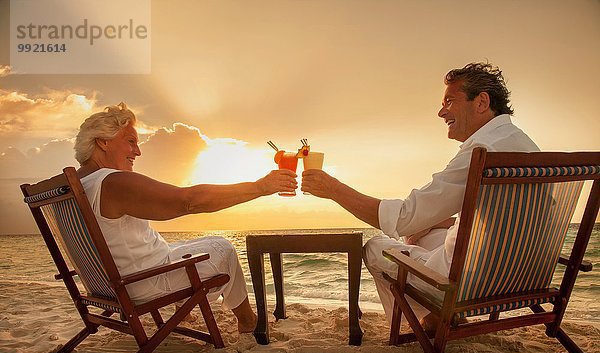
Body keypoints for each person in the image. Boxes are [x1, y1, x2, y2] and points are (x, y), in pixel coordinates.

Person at [301, 62, 540, 329]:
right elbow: (504, 222)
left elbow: (404, 218)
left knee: (377, 248)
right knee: (424, 233)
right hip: (524, 277)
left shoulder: (481, 151)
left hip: (471, 283)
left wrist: (333, 189)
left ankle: (432, 320)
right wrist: (436, 223)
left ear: (481, 102)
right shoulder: (527, 148)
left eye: (450, 101)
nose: (441, 112)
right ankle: (440, 315)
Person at [74, 103, 297, 333]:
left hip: (107, 284)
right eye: (130, 141)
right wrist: (259, 187)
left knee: (193, 246)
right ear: (103, 141)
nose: (138, 152)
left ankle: (184, 315)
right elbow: (188, 201)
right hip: (140, 284)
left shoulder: (77, 185)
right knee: (224, 248)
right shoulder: (112, 182)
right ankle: (249, 321)